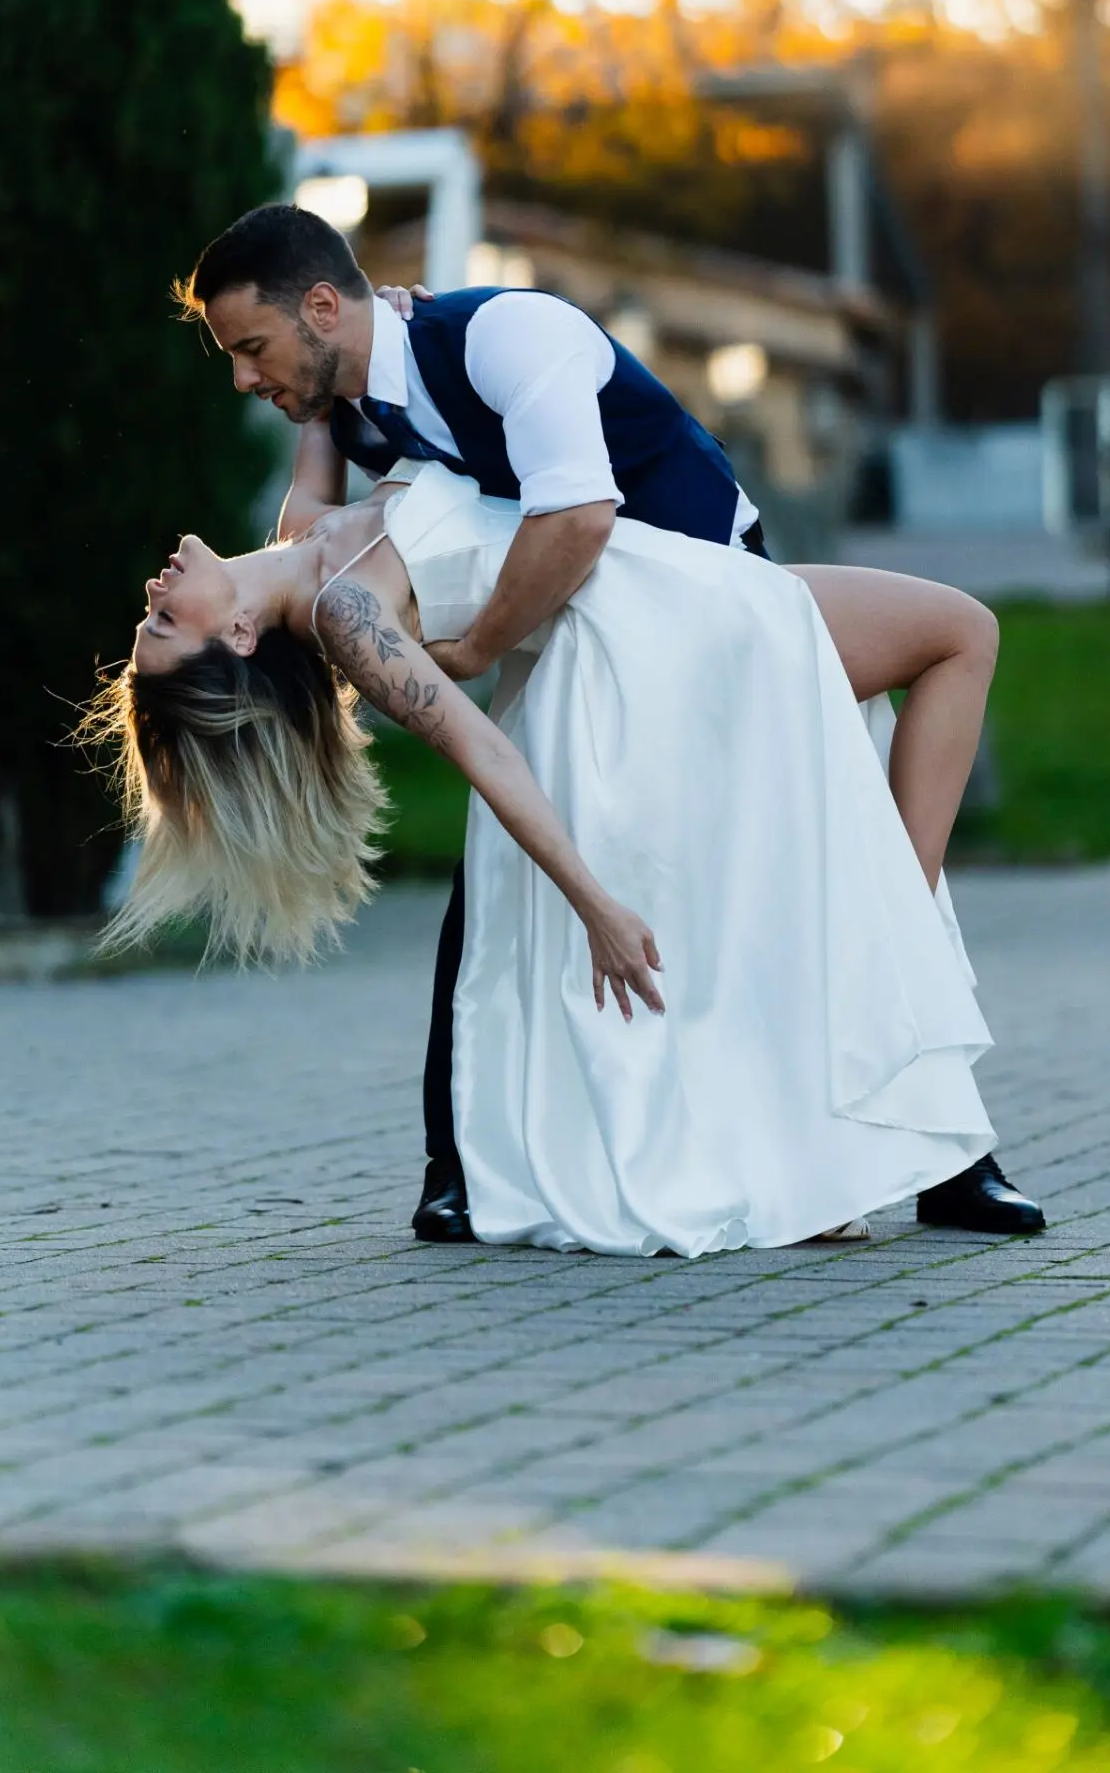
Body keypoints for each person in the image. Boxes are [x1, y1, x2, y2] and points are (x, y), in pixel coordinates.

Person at [172, 202, 1045, 1240]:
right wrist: (306, 402)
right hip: (608, 649)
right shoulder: (354, 412)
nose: (242, 377)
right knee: (536, 886)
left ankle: (929, 1122)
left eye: (253, 349)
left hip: (705, 599)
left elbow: (577, 517)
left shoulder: (503, 335)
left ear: (324, 305)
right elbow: (303, 544)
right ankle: (464, 1167)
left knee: (807, 847)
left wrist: (479, 646)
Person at [93, 464, 1001, 1255]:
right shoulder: (350, 621)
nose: (152, 592)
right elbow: (486, 754)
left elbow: (325, 388)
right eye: (165, 625)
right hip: (658, 633)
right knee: (961, 631)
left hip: (666, 590)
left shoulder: (309, 535)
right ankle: (899, 945)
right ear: (238, 640)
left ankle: (860, 1046)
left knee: (768, 889)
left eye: (149, 617)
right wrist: (594, 905)